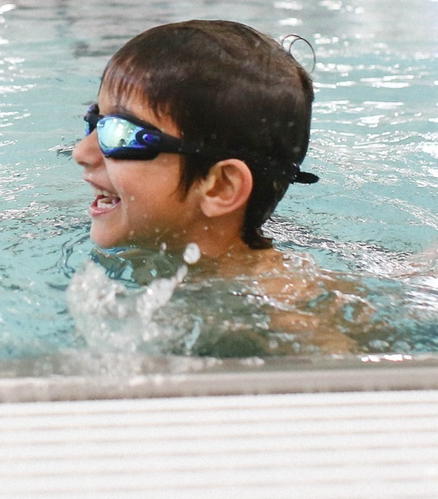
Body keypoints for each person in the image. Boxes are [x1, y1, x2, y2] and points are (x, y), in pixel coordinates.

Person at [74, 21, 388, 354]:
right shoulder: (150, 250)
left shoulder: (285, 310)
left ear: (220, 187)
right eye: (95, 120)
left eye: (120, 134)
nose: (82, 152)